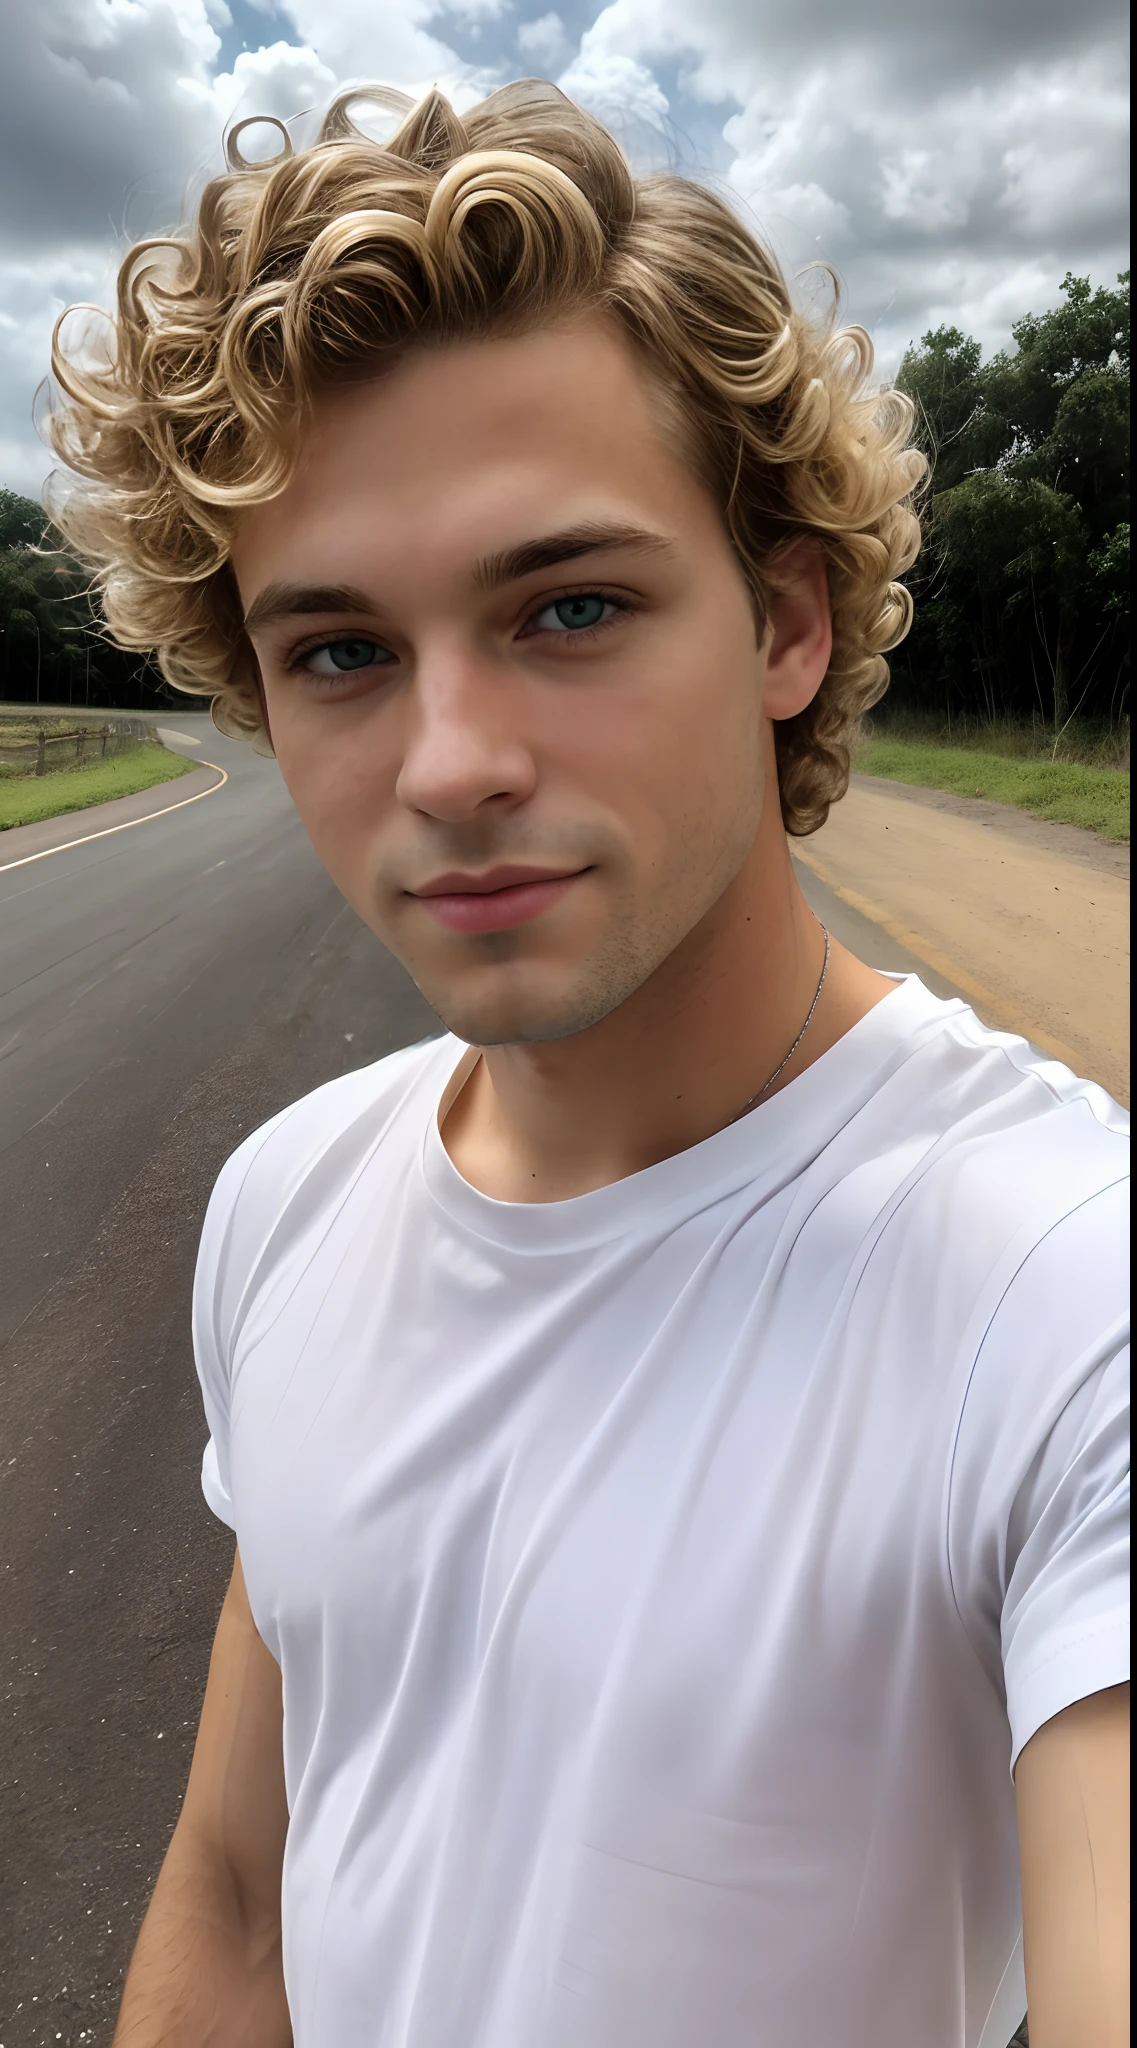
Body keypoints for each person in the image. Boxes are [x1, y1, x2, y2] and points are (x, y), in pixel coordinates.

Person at [52, 80, 1128, 2048]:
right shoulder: (287, 1199)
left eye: (569, 606)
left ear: (784, 621)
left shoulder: (1063, 1285)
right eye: (342, 652)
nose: (451, 761)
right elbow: (239, 1898)